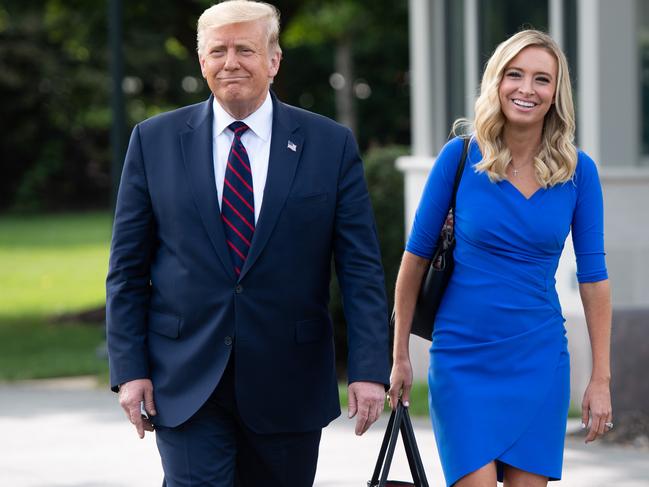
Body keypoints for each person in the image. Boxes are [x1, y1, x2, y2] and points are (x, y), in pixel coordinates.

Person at [105, 1, 390, 485]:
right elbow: (127, 271)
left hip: (289, 380)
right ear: (201, 62)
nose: (230, 62)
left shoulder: (329, 144)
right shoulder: (153, 141)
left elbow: (361, 269)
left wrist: (369, 369)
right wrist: (130, 370)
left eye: (245, 49)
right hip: (186, 379)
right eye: (218, 50)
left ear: (274, 60)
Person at [388, 30, 612, 487]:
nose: (526, 89)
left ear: (556, 94)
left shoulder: (578, 172)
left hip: (539, 358)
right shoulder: (461, 157)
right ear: (497, 82)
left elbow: (594, 278)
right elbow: (414, 261)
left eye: (541, 79)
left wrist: (601, 379)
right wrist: (399, 356)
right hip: (462, 359)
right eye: (515, 75)